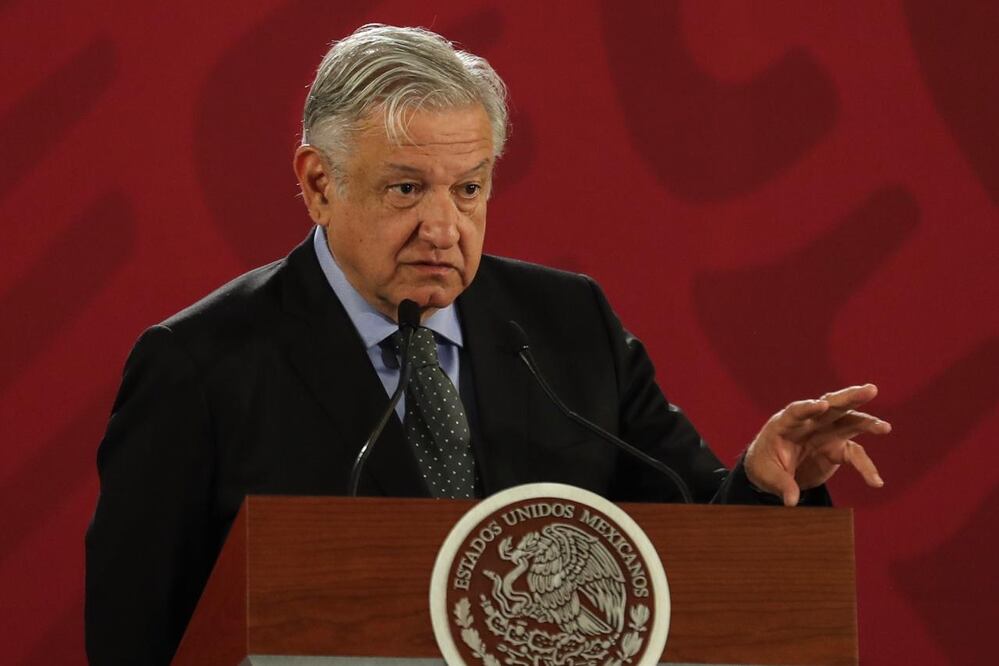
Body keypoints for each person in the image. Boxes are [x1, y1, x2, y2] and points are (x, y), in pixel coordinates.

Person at [84, 24, 890, 666]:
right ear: (318, 182)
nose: (443, 228)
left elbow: (686, 545)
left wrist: (758, 481)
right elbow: (135, 639)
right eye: (406, 188)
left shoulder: (567, 326)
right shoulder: (199, 366)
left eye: (468, 188)